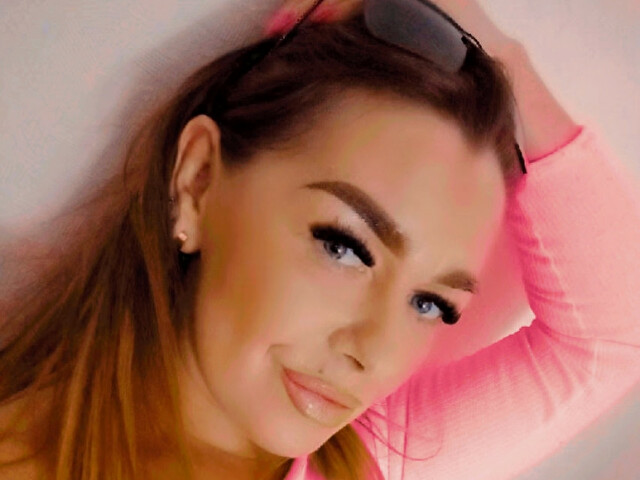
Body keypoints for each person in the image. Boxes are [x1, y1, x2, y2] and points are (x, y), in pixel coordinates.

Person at [1, 0, 639, 479]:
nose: (372, 352)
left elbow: (612, 339)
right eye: (344, 246)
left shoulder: (366, 458)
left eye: (430, 303)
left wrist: (497, 57)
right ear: (198, 181)